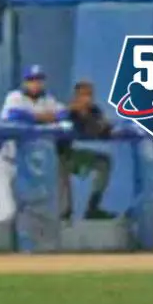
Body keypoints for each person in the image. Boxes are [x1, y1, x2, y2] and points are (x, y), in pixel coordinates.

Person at [0, 65, 67, 223]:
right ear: (25, 82)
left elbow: (63, 114)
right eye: (31, 80)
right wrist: (46, 117)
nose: (35, 84)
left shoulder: (48, 100)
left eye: (38, 80)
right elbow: (17, 115)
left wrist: (42, 116)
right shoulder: (14, 97)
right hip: (1, 162)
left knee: (31, 214)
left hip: (24, 167)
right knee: (6, 211)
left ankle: (9, 247)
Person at [56, 81, 115, 222]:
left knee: (103, 162)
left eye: (89, 95)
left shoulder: (94, 110)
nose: (87, 98)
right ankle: (64, 212)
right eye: (83, 95)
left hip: (75, 155)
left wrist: (100, 123)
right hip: (59, 157)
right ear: (76, 96)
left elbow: (103, 129)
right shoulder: (68, 111)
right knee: (61, 167)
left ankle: (93, 208)